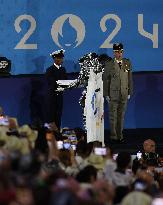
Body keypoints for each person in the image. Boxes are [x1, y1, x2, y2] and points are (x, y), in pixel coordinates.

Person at [103, 43, 133, 142]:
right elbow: (106, 80)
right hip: (113, 94)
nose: (119, 54)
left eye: (120, 52)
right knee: (113, 116)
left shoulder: (127, 63)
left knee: (121, 116)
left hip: (124, 94)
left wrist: (129, 91)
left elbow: (129, 78)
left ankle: (120, 136)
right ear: (114, 53)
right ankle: (113, 136)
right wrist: (106, 94)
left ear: (122, 52)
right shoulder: (109, 64)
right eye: (117, 52)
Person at [45, 49, 67, 131]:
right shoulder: (50, 70)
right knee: (51, 115)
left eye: (62, 58)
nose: (61, 60)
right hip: (52, 96)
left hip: (60, 96)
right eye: (60, 58)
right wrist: (59, 83)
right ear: (55, 59)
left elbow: (66, 80)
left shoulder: (63, 69)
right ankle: (52, 133)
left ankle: (58, 132)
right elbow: (51, 82)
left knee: (59, 114)